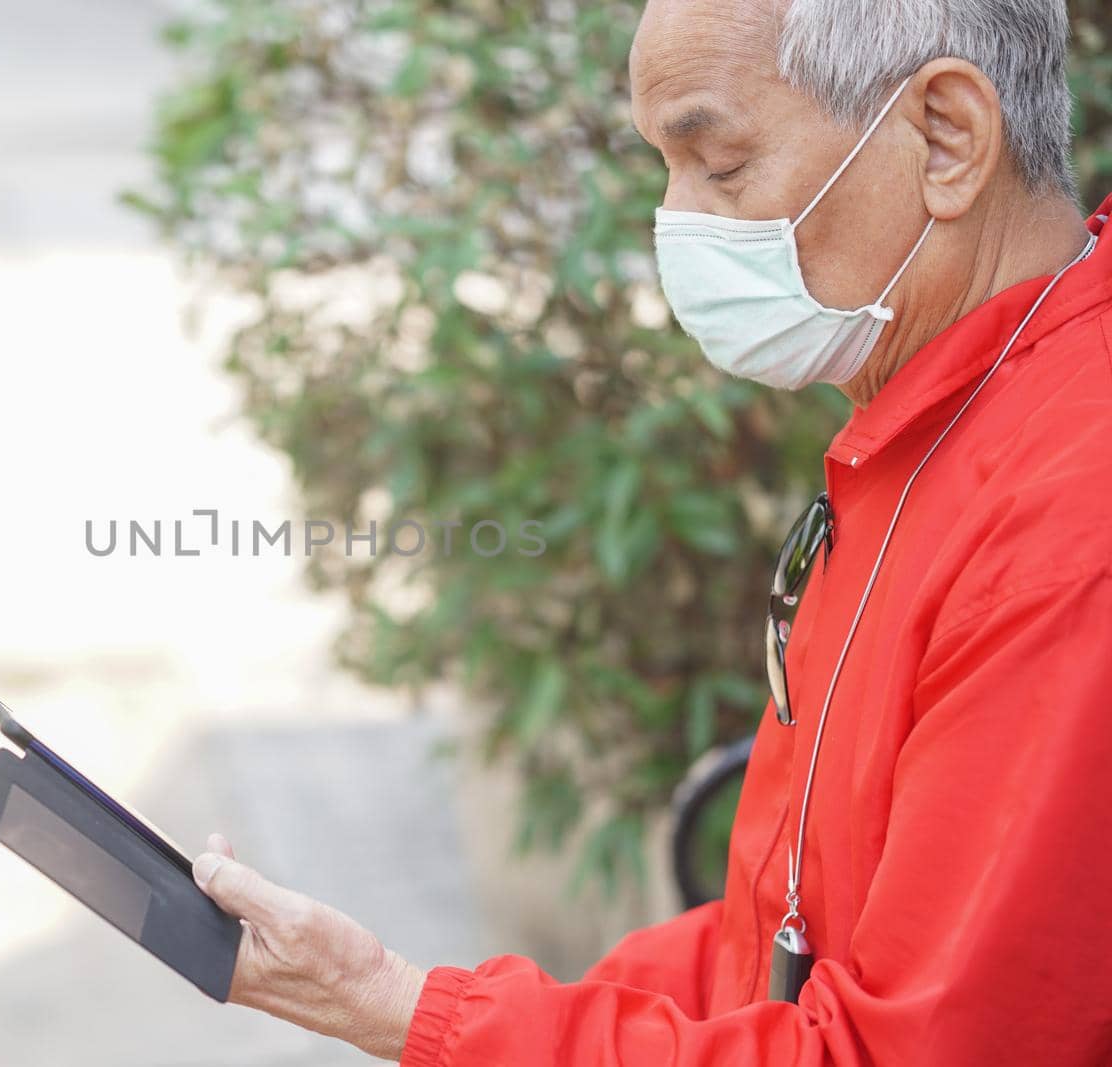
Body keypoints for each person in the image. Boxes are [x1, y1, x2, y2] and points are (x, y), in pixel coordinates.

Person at [189, 0, 1112, 1062]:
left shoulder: (1063, 532)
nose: (679, 222)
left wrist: (403, 1008)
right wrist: (439, 999)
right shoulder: (940, 421)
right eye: (662, 169)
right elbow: (776, 941)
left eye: (718, 165)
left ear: (945, 137)